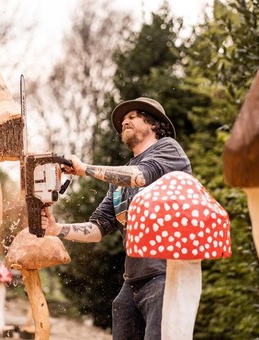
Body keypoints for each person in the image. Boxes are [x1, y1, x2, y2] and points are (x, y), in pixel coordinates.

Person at [41, 97, 192, 339]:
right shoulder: (118, 183)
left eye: (133, 116)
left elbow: (142, 175)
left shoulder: (168, 149)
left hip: (166, 275)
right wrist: (56, 227)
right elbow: (98, 228)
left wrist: (86, 169)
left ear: (154, 124)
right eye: (123, 119)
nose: (125, 120)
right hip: (132, 281)